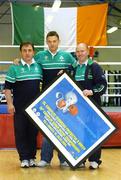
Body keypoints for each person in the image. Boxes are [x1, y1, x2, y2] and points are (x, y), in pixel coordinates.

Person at [34, 31, 78, 167]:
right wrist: (18, 61)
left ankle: (64, 159)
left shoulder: (66, 56)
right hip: (47, 98)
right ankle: (45, 159)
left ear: (58, 42)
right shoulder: (40, 56)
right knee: (48, 129)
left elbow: (79, 67)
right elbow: (29, 62)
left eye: (54, 41)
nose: (52, 44)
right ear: (47, 42)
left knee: (64, 128)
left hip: (64, 99)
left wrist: (68, 71)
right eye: (50, 41)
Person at [4, 42, 42, 168]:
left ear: (33, 52)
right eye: (24, 50)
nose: (27, 53)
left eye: (29, 50)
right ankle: (24, 158)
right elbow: (7, 88)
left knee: (33, 133)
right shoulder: (14, 68)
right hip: (19, 108)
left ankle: (31, 157)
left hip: (35, 108)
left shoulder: (39, 67)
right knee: (20, 133)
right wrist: (10, 104)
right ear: (21, 52)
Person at [74, 43, 107, 169]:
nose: (80, 53)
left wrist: (92, 91)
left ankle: (94, 160)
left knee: (93, 132)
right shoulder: (73, 67)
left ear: (87, 52)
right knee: (78, 133)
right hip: (77, 108)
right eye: (78, 51)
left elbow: (103, 85)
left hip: (93, 106)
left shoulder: (95, 67)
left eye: (82, 51)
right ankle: (80, 160)